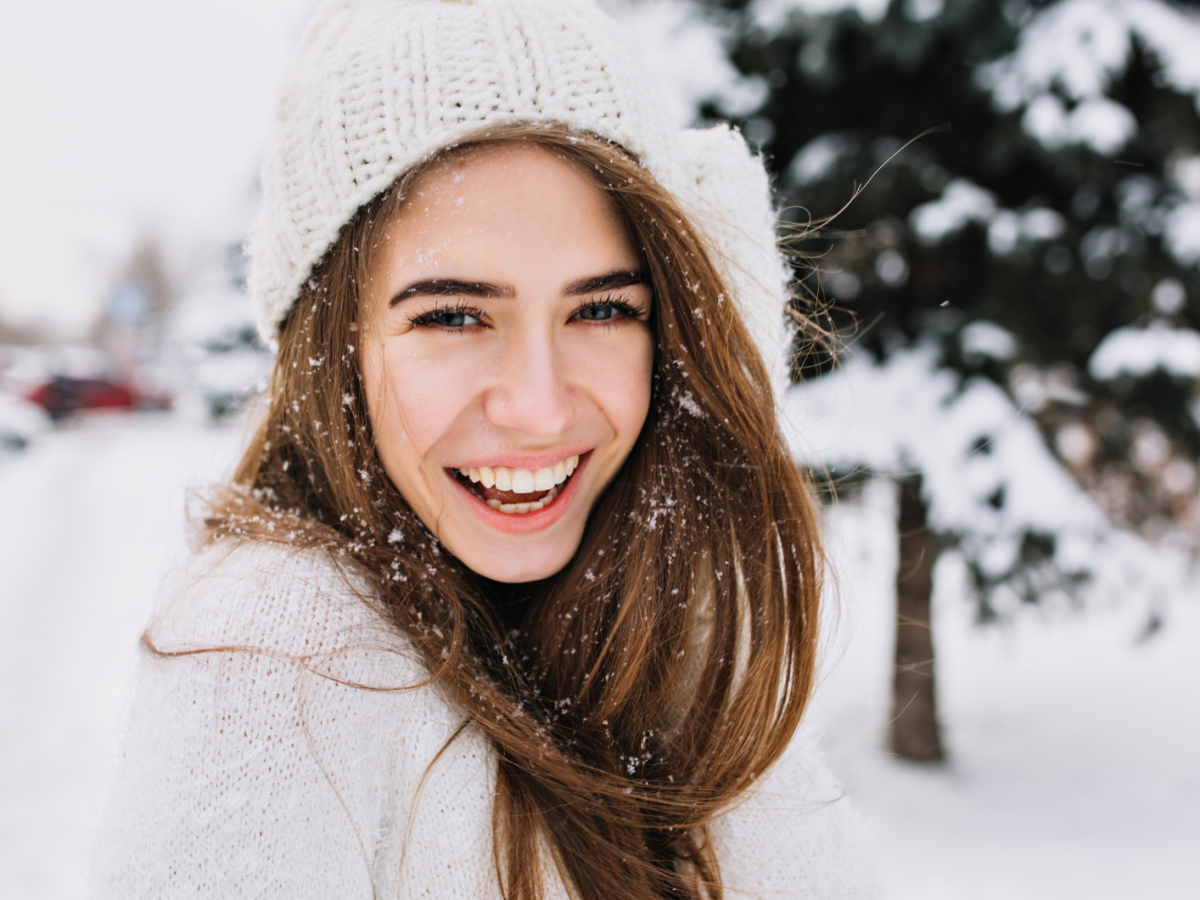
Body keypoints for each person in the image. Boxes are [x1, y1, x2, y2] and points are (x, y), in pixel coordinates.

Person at [90, 1, 880, 897]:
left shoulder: (623, 606)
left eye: (603, 309)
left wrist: (707, 476)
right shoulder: (275, 661)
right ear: (334, 345)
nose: (539, 408)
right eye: (454, 316)